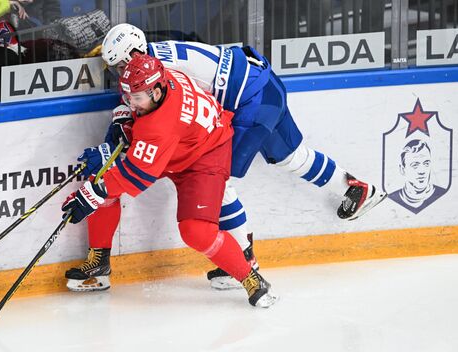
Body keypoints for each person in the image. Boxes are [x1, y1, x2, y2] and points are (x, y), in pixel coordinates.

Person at [69, 23, 387, 290]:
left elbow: (168, 116)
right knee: (293, 157)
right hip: (265, 84)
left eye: (121, 64)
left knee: (218, 179)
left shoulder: (156, 72)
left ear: (134, 54)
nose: (120, 72)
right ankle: (355, 189)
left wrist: (123, 129)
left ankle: (245, 260)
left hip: (251, 104)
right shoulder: (153, 58)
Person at [61, 54, 277, 308]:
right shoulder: (160, 79)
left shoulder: (160, 126)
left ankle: (252, 278)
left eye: (136, 99)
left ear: (156, 91)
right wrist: (125, 120)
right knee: (101, 179)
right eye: (129, 97)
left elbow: (135, 175)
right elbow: (135, 112)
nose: (132, 104)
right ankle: (99, 264)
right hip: (178, 144)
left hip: (205, 154)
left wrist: (91, 195)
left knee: (196, 232)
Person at [388, 139, 446, 213]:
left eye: (426, 164)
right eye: (415, 165)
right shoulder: (394, 197)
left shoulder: (441, 194)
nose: (422, 171)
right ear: (402, 169)